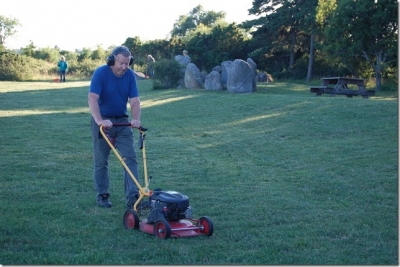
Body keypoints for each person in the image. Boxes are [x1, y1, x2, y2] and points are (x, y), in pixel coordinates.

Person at [88, 45, 142, 209]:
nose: (124, 67)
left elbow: (134, 101)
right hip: (103, 122)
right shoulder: (101, 73)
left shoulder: (130, 76)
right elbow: (92, 98)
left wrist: (136, 119)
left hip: (122, 122)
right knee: (101, 160)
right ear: (112, 60)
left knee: (130, 158)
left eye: (127, 63)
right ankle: (103, 195)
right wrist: (99, 121)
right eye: (121, 63)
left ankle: (134, 198)